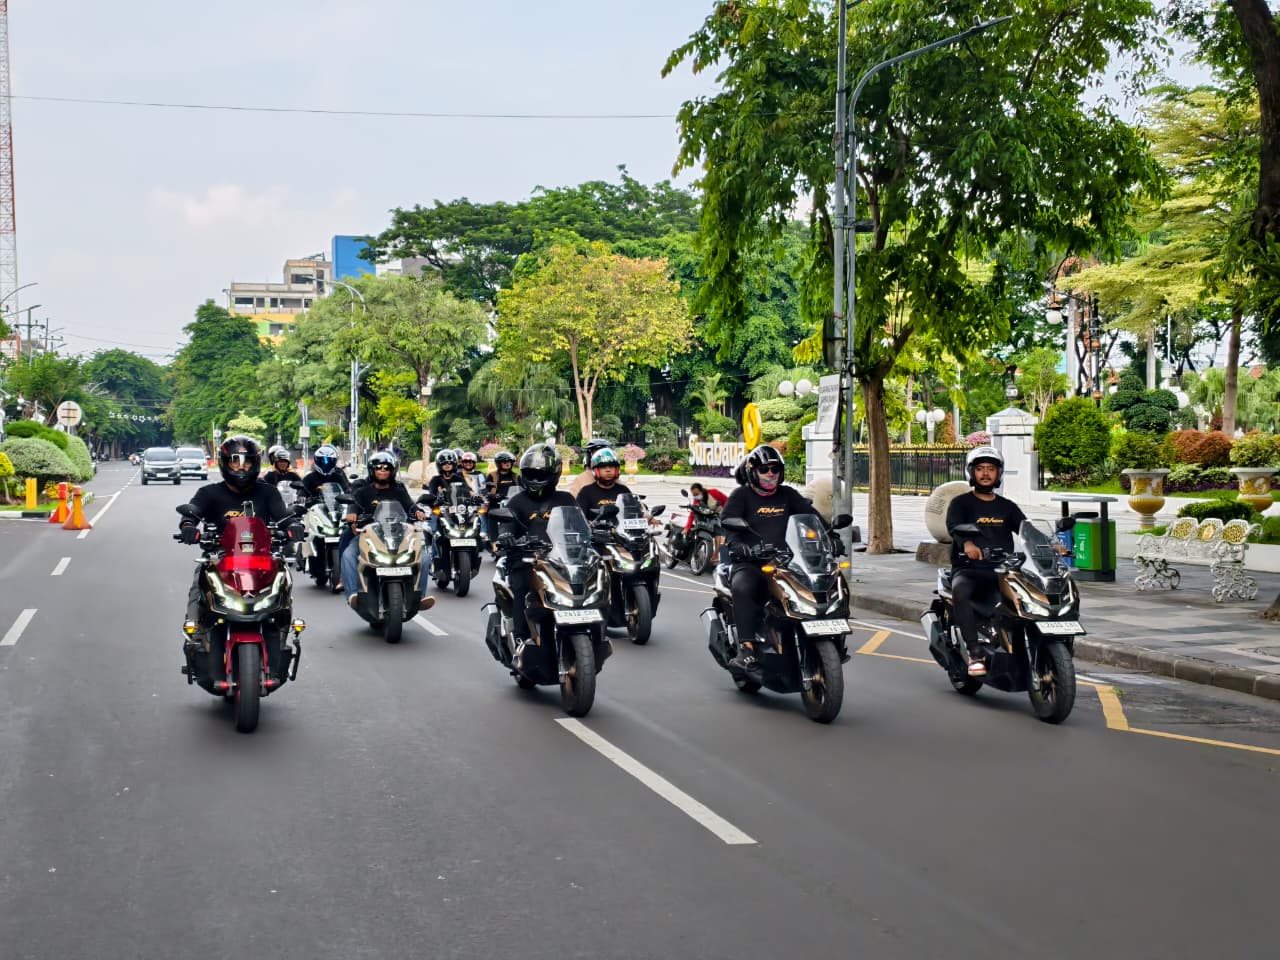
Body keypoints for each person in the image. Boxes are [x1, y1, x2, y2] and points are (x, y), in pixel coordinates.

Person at [176, 436, 303, 671]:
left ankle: (283, 629)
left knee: (284, 579)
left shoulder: (268, 492)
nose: (241, 467)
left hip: (262, 560)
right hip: (221, 560)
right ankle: (193, 628)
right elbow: (191, 515)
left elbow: (283, 515)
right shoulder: (209, 492)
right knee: (200, 578)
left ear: (255, 463)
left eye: (246, 461)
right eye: (235, 462)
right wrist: (189, 528)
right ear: (226, 463)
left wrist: (293, 526)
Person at [721, 445, 814, 681]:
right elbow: (728, 524)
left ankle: (821, 636)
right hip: (753, 562)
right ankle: (747, 648)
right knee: (743, 586)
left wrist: (831, 536)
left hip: (788, 561)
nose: (771, 473)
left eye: (775, 469)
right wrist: (739, 546)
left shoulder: (788, 494)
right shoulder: (741, 496)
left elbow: (811, 517)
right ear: (754, 472)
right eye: (765, 469)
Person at [945, 445, 1028, 678]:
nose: (985, 474)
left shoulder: (1007, 507)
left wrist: (1050, 545)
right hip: (969, 568)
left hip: (1003, 570)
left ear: (998, 474)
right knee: (960, 590)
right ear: (971, 472)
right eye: (980, 469)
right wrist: (968, 544)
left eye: (991, 469)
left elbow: (1026, 529)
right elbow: (954, 527)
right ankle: (975, 652)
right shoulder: (961, 503)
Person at [495, 443, 578, 642]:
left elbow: (579, 522)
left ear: (554, 475)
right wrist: (506, 536)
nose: (535, 479)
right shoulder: (517, 502)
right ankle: (520, 637)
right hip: (526, 561)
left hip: (562, 560)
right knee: (521, 589)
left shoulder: (566, 499)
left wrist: (594, 532)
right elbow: (506, 525)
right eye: (530, 474)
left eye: (541, 474)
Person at [340, 450, 435, 612]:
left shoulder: (398, 490)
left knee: (424, 557)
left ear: (392, 471)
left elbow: (410, 505)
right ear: (372, 470)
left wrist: (418, 511)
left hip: (398, 535)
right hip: (369, 535)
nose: (382, 471)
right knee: (348, 555)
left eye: (386, 468)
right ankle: (353, 595)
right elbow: (354, 504)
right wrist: (352, 514)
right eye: (378, 468)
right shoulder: (364, 491)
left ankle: (418, 597)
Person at [575, 447, 634, 520]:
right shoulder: (586, 492)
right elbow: (577, 517)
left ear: (616, 470)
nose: (608, 470)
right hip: (594, 530)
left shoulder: (623, 490)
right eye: (603, 467)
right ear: (595, 470)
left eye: (611, 466)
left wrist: (647, 516)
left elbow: (634, 512)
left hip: (621, 530)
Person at [678, 481, 728, 550]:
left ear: (701, 491)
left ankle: (716, 554)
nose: (695, 496)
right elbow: (692, 514)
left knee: (719, 532)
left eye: (697, 494)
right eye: (694, 495)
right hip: (707, 518)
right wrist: (687, 527)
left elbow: (727, 500)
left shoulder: (714, 492)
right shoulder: (696, 500)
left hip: (720, 516)